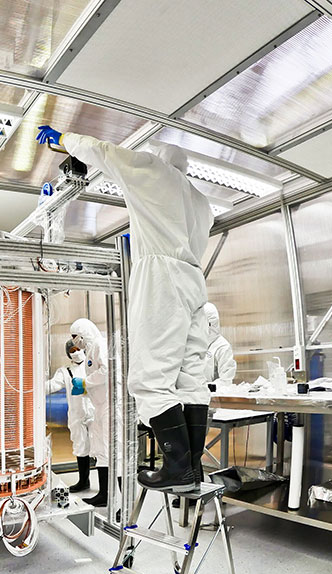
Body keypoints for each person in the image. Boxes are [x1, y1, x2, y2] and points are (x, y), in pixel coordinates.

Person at [37, 125, 213, 492]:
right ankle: (192, 468)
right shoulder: (201, 202)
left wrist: (64, 140)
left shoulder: (155, 172)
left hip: (161, 276)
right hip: (194, 280)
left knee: (149, 378)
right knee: (190, 377)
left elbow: (104, 151)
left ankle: (178, 469)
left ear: (161, 161)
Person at [68, 318, 113, 506]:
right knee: (100, 450)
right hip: (100, 407)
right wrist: (86, 390)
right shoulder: (90, 351)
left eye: (75, 337)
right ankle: (104, 494)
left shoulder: (99, 344)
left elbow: (107, 370)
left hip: (110, 407)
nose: (75, 342)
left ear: (84, 332)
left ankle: (116, 499)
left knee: (111, 450)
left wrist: (86, 383)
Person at [46, 339, 95, 492]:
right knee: (80, 447)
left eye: (78, 349)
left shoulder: (93, 365)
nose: (76, 352)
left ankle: (105, 487)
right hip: (77, 414)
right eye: (72, 351)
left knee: (100, 448)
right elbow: (53, 385)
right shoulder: (65, 371)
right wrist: (32, 385)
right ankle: (83, 481)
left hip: (96, 414)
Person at [203, 302, 237, 389]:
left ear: (210, 324)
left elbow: (226, 381)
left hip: (212, 398)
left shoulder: (222, 347)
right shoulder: (194, 344)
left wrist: (203, 388)